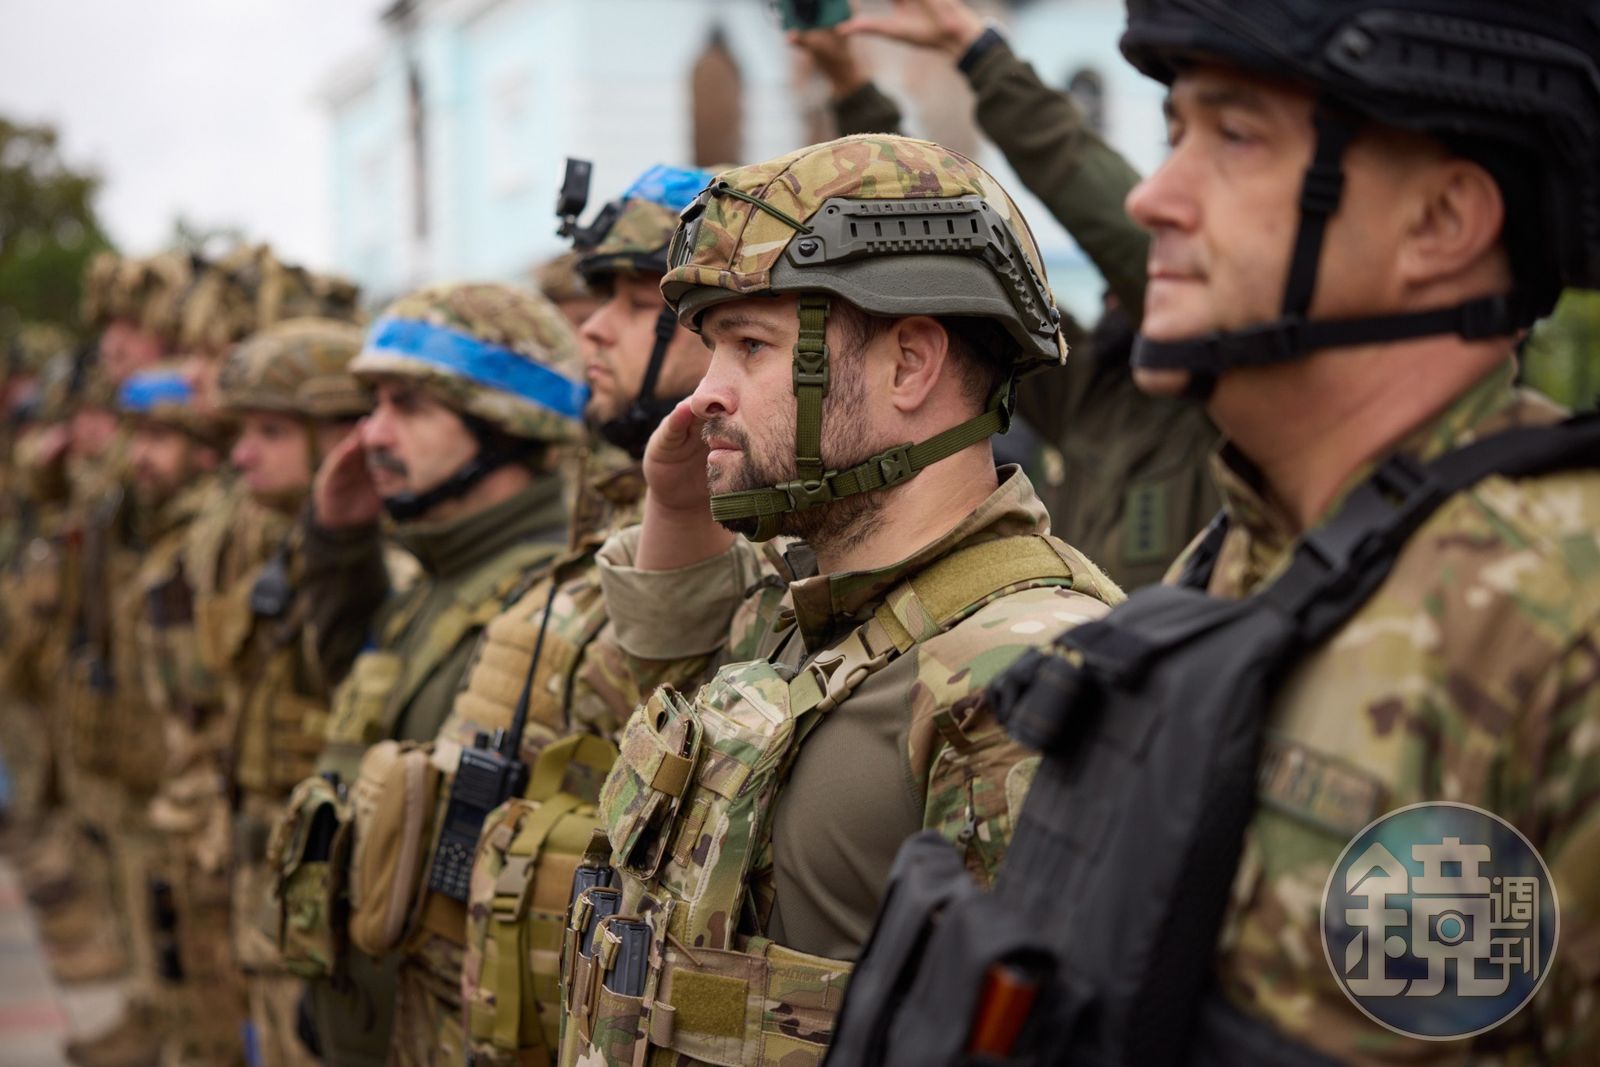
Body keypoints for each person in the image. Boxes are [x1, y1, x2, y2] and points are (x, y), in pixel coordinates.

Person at [833, 2, 1600, 1062]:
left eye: (1235, 137)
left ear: (1439, 223)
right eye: (1174, 133)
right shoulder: (1237, 562)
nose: (1152, 196)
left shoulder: (1561, 620)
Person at [557, 134, 1122, 1067]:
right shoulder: (816, 618)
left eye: (751, 345)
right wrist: (677, 506)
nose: (706, 393)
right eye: (711, 348)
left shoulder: (1019, 675)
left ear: (909, 366)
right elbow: (677, 678)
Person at [792, 0, 1221, 588]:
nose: (1121, 289)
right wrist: (851, 87)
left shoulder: (1218, 408)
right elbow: (952, 253)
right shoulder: (1092, 395)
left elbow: (1113, 225)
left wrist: (980, 53)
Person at [445, 164, 719, 1066]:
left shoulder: (746, 546)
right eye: (599, 298)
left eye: (638, 305)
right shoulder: (601, 507)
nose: (591, 328)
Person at [293, 282, 586, 1067]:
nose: (371, 434)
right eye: (374, 404)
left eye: (409, 406)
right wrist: (338, 542)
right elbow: (352, 696)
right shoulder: (440, 575)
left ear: (505, 424)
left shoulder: (548, 602)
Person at [211, 318, 371, 1067]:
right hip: (274, 878)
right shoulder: (284, 541)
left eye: (270, 431)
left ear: (342, 434)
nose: (242, 454)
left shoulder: (373, 569)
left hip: (325, 893)